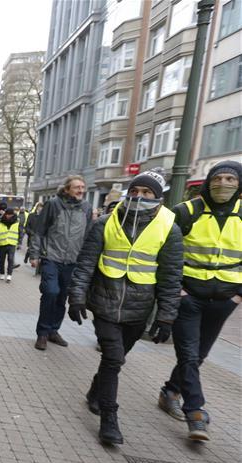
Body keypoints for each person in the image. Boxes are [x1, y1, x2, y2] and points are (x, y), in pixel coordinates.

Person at [67, 172, 182, 445]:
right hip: (104, 302)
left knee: (115, 360)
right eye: (135, 190)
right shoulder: (105, 223)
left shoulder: (169, 228)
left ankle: (96, 391)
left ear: (158, 197)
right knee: (113, 357)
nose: (139, 196)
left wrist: (166, 317)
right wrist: (76, 297)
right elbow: (86, 263)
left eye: (146, 192)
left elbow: (170, 276)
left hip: (139, 309)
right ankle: (109, 418)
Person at [158, 160, 242, 441]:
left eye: (230, 179)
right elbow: (164, 249)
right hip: (188, 296)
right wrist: (177, 289)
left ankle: (170, 391)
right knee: (189, 354)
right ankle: (195, 412)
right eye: (218, 178)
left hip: (225, 299)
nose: (223, 184)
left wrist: (238, 295)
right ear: (208, 182)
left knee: (199, 354)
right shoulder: (187, 211)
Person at [29, 175, 92, 350]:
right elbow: (39, 231)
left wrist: (86, 261)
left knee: (62, 297)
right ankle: (42, 333)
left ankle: (53, 330)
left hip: (73, 261)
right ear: (66, 189)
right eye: (77, 187)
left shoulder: (86, 208)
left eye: (83, 187)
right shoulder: (53, 204)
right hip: (51, 257)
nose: (81, 190)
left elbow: (88, 236)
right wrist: (34, 254)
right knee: (51, 291)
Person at [0, 207, 20, 282]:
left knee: (10, 259)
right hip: (2, 243)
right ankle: (2, 273)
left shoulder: (17, 221)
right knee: (2, 259)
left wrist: (19, 242)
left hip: (12, 243)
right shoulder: (1, 221)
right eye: (7, 214)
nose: (8, 216)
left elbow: (20, 232)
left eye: (10, 214)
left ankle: (9, 275)